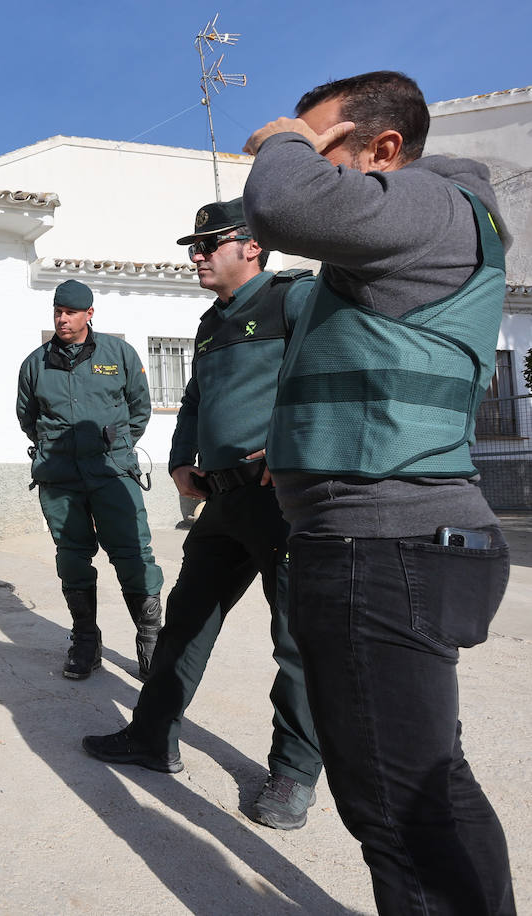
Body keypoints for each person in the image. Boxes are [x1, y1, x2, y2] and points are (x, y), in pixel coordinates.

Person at [242, 71, 514, 913]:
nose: (306, 156)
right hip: (381, 543)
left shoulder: (431, 207)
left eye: (324, 147)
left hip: (384, 549)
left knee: (399, 809)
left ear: (384, 149)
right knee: (423, 782)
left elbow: (285, 207)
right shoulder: (395, 244)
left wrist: (284, 141)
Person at [82, 199, 324, 831]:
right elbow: (193, 397)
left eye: (208, 244)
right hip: (223, 500)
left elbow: (328, 376)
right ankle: (151, 736)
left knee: (295, 638)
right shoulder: (211, 322)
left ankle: (294, 773)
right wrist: (181, 456)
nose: (195, 255)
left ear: (252, 245)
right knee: (185, 620)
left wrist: (295, 449)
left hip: (281, 500)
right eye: (194, 244)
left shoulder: (294, 299)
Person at [16, 279, 164, 681]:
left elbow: (139, 408)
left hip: (112, 473)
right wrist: (58, 448)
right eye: (58, 312)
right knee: (72, 557)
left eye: (71, 312)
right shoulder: (35, 363)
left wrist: (117, 446)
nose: (63, 319)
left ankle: (151, 640)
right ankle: (85, 640)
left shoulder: (118, 354)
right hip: (60, 477)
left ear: (89, 314)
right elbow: (28, 418)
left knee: (133, 553)